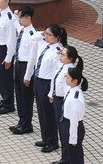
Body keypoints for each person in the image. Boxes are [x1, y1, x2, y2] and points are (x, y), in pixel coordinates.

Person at [26, 24, 68, 155]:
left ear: (56, 37)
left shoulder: (58, 51)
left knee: (48, 114)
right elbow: (31, 39)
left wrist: (52, 92)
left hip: (47, 84)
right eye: (46, 33)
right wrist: (42, 33)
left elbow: (57, 74)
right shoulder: (44, 45)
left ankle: (52, 142)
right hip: (38, 80)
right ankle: (45, 138)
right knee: (41, 111)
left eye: (49, 34)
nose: (45, 36)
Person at [50, 45, 83, 164]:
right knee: (63, 136)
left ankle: (67, 159)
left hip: (63, 104)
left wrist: (73, 138)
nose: (60, 55)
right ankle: (65, 158)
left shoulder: (70, 72)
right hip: (61, 101)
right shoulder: (63, 66)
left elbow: (74, 117)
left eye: (63, 54)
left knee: (69, 142)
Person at [9, 5, 37, 136]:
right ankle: (21, 121)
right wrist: (16, 15)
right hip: (19, 64)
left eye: (21, 17)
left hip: (26, 66)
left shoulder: (32, 34)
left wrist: (28, 75)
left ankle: (27, 124)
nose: (19, 20)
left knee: (26, 97)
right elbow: (14, 21)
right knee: (19, 95)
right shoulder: (23, 29)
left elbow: (32, 58)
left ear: (28, 18)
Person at [61, 66, 88, 164]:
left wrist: (73, 139)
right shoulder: (71, 88)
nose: (66, 79)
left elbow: (74, 120)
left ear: (75, 81)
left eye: (68, 78)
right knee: (71, 154)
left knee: (75, 157)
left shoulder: (75, 99)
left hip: (72, 126)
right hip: (66, 123)